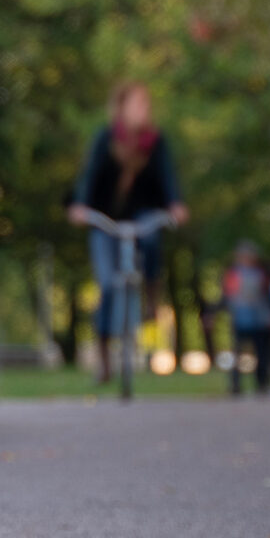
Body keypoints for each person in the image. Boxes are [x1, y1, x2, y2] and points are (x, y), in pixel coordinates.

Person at [66, 81, 188, 384]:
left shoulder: (156, 142)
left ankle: (151, 295)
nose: (144, 110)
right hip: (105, 218)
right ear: (122, 108)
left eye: (147, 104)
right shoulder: (105, 139)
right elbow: (88, 175)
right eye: (138, 104)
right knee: (107, 285)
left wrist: (175, 204)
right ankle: (105, 359)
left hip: (141, 214)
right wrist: (80, 206)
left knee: (151, 235)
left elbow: (168, 176)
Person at [221, 242, 270, 396]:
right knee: (237, 353)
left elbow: (266, 295)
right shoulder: (233, 274)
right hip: (240, 319)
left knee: (261, 353)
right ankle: (236, 384)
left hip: (258, 320)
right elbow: (228, 295)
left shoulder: (261, 274)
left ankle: (261, 383)